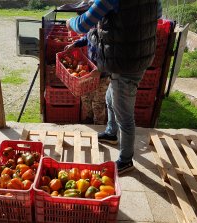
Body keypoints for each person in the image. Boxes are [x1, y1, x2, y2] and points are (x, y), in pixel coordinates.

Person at [66, 0, 163, 174]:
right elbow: (155, 15)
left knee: (124, 116)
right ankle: (111, 133)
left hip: (125, 61)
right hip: (138, 55)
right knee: (110, 98)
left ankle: (126, 160)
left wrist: (69, 23)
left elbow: (82, 24)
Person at [65, 28, 109, 124]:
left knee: (98, 102)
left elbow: (113, 57)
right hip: (89, 71)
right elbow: (86, 38)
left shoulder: (109, 35)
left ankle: (98, 124)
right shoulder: (92, 29)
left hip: (104, 75)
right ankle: (89, 118)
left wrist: (102, 70)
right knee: (85, 97)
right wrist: (74, 44)